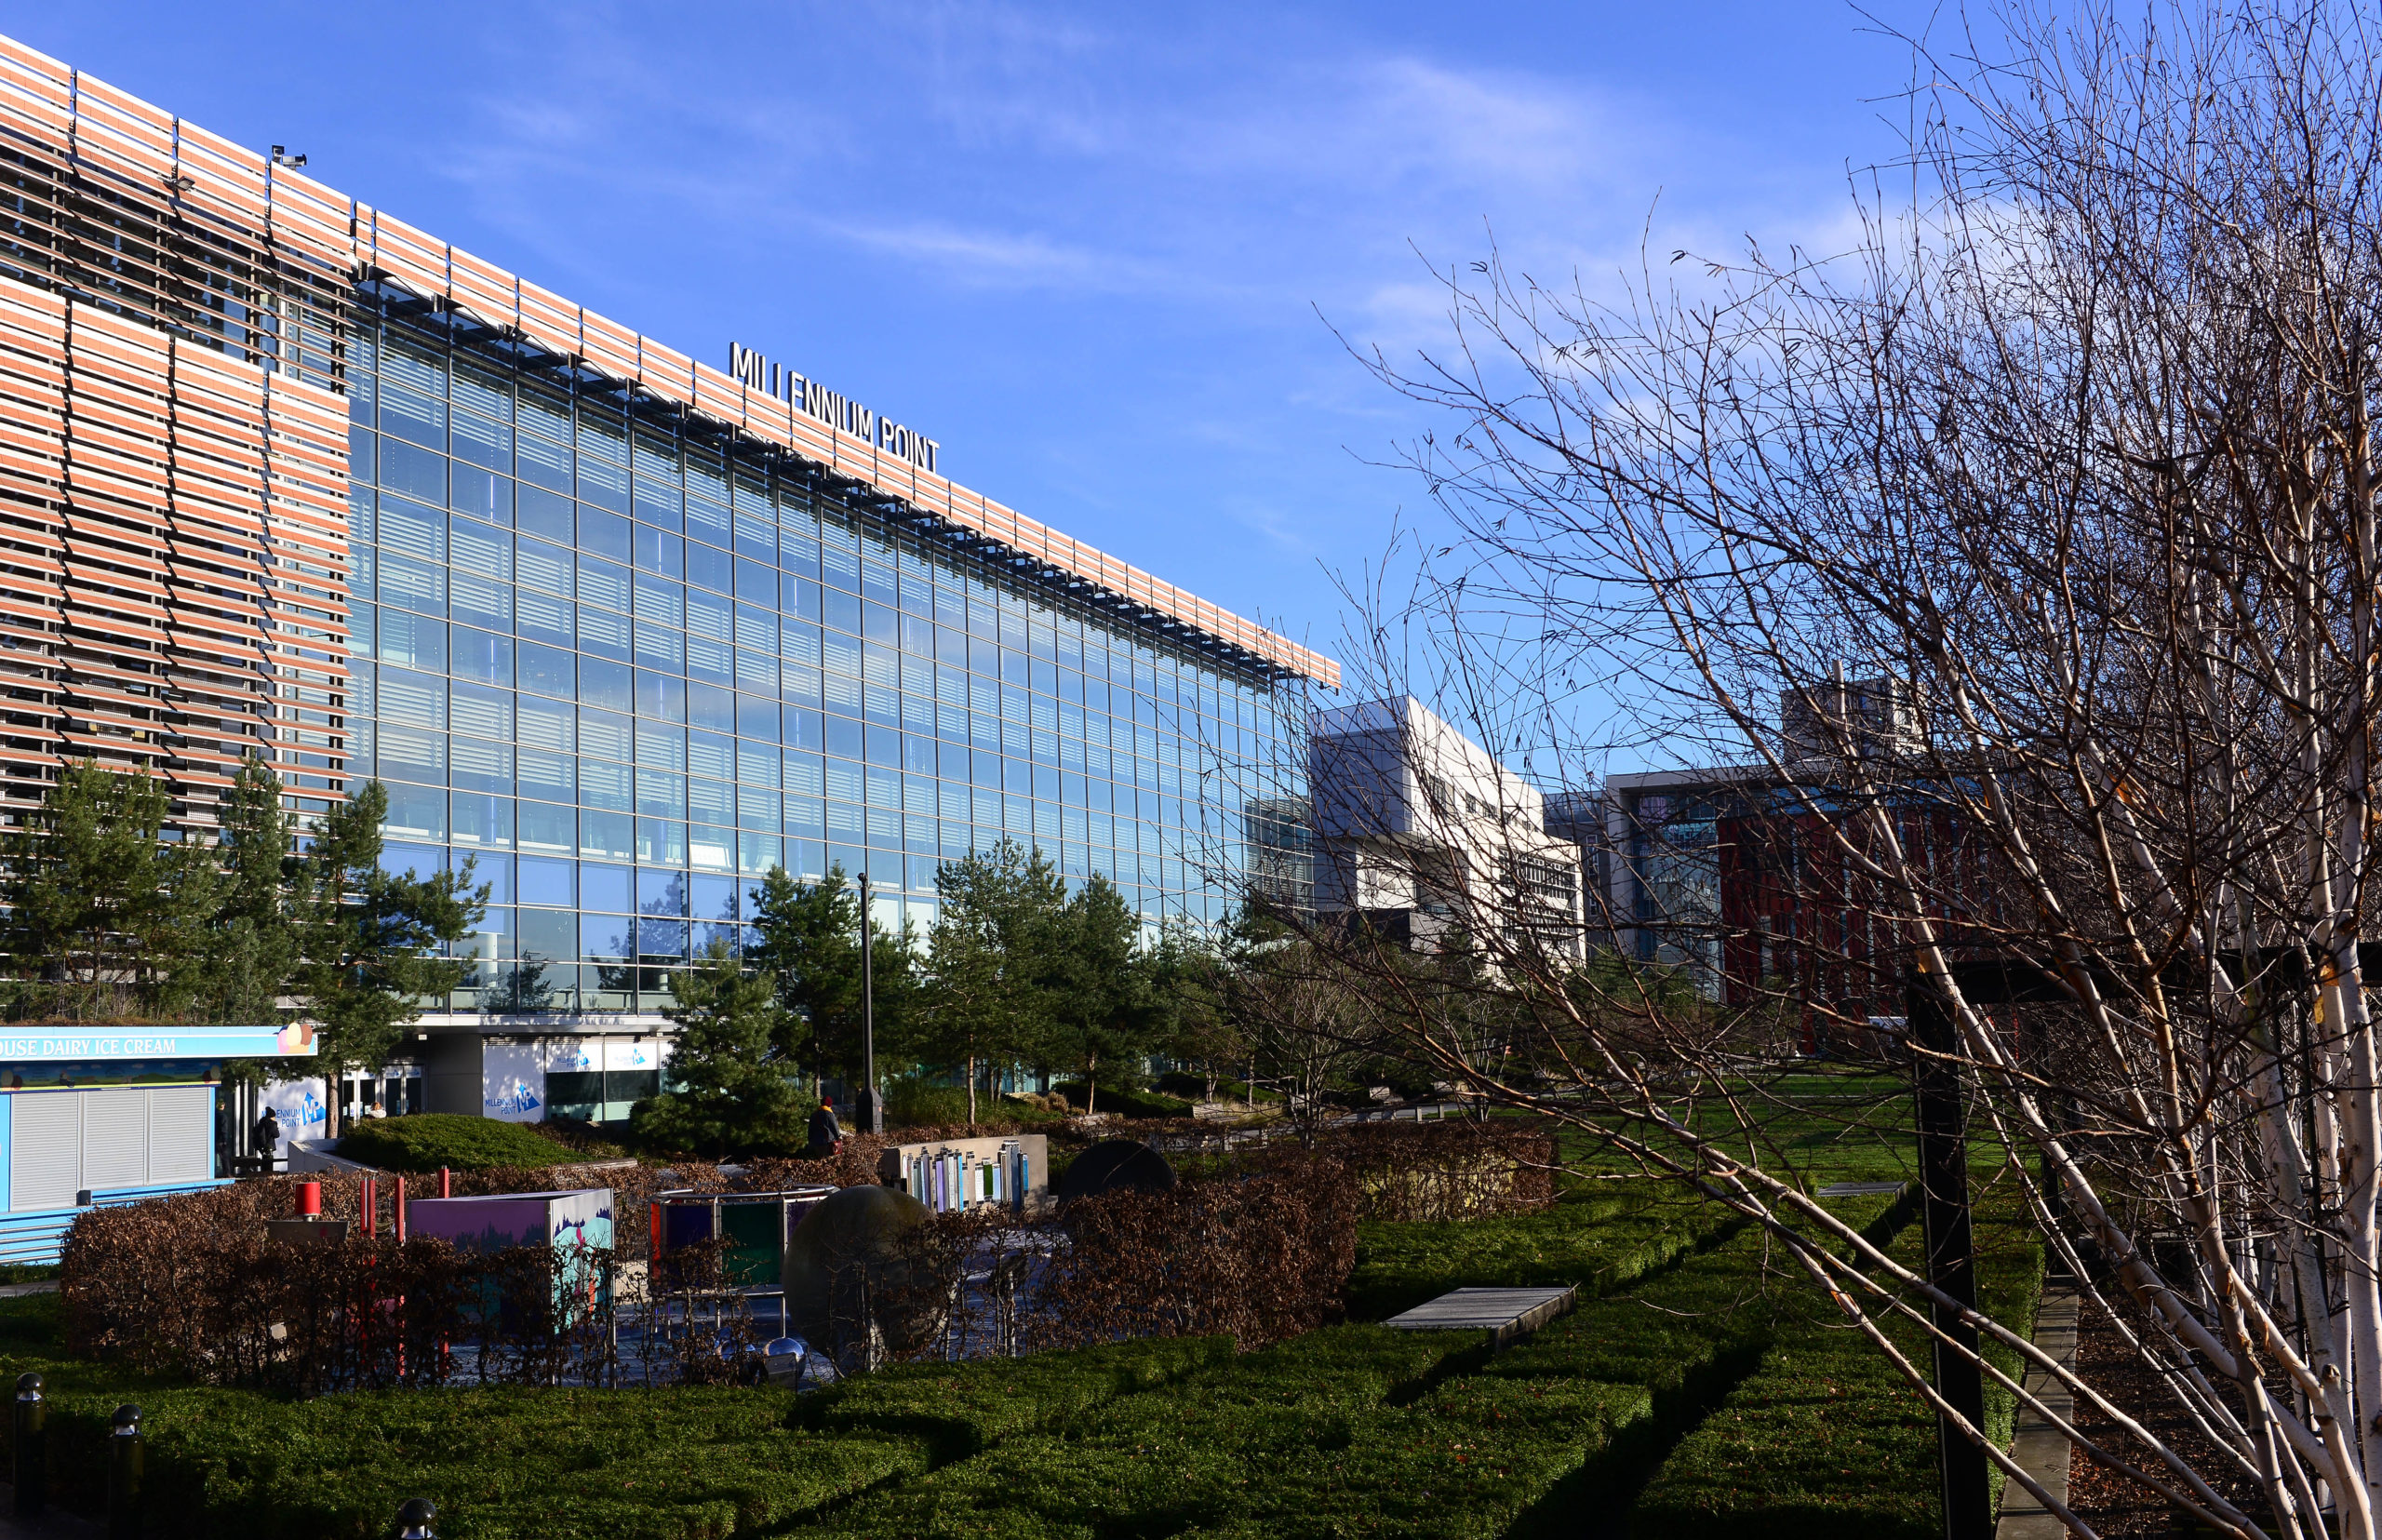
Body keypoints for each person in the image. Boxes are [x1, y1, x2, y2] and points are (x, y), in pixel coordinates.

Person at [805, 1097, 843, 1161]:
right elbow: (834, 1126)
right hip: (827, 1142)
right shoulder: (829, 1114)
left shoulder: (814, 1114)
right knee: (828, 1163)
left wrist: (810, 1141)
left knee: (819, 1163)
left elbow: (810, 1129)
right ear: (829, 1105)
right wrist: (839, 1137)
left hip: (816, 1143)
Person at [251, 1105, 281, 1171]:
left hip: (262, 1147)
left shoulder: (262, 1122)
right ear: (272, 1117)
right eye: (274, 1116)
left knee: (264, 1163)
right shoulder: (272, 1124)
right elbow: (277, 1135)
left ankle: (264, 1174)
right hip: (269, 1147)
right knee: (269, 1163)